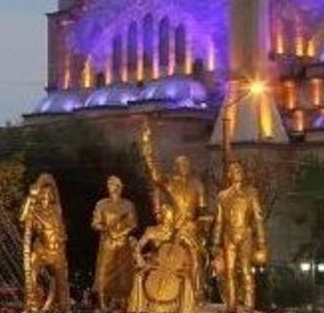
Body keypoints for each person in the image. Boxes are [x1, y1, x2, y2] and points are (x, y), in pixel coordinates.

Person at [139, 124, 208, 301]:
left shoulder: (197, 184)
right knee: (163, 255)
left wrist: (201, 223)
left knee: (194, 257)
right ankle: (165, 292)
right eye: (180, 164)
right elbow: (155, 175)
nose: (184, 166)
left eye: (186, 163)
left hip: (190, 228)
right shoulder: (170, 182)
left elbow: (202, 208)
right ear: (175, 167)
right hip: (172, 227)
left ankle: (197, 292)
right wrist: (147, 148)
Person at [212, 162, 268, 312]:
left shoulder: (251, 193)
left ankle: (249, 305)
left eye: (240, 170)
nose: (239, 172)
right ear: (229, 175)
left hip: (245, 235)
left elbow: (258, 218)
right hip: (228, 237)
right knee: (229, 272)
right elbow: (219, 221)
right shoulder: (222, 196)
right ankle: (231, 305)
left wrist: (261, 242)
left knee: (245, 270)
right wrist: (215, 242)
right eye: (235, 170)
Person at [21, 173, 70, 313]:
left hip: (57, 251)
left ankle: (64, 307)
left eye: (49, 194)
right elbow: (23, 219)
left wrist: (44, 180)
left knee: (61, 282)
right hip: (41, 250)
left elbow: (52, 185)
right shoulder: (35, 211)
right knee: (31, 276)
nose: (46, 197)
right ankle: (30, 305)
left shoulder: (56, 210)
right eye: (43, 194)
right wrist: (30, 198)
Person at [91, 176, 137, 311]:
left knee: (124, 272)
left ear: (119, 187)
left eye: (113, 184)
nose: (110, 187)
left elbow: (133, 224)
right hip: (107, 243)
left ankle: (123, 301)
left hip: (123, 243)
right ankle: (102, 302)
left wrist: (121, 232)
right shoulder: (101, 204)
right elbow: (95, 223)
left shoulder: (128, 204)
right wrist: (107, 229)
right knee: (103, 271)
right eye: (109, 184)